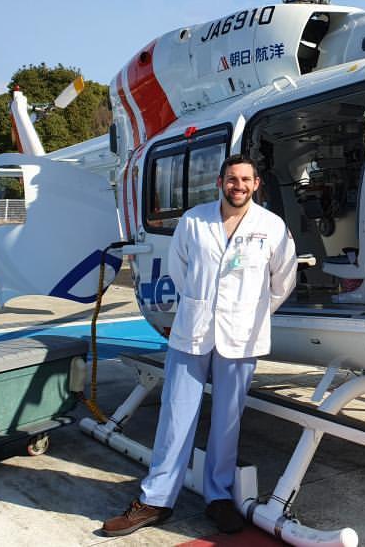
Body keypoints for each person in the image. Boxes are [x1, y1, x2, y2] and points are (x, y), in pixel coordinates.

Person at [102, 154, 297, 536]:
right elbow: (180, 270)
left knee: (228, 421)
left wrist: (250, 311)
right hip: (193, 331)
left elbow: (283, 281)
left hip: (241, 336)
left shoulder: (271, 227)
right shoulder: (194, 220)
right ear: (220, 182)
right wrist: (205, 302)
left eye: (244, 179)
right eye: (230, 179)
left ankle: (219, 496)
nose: (237, 186)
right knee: (176, 416)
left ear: (256, 184)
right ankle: (156, 500)